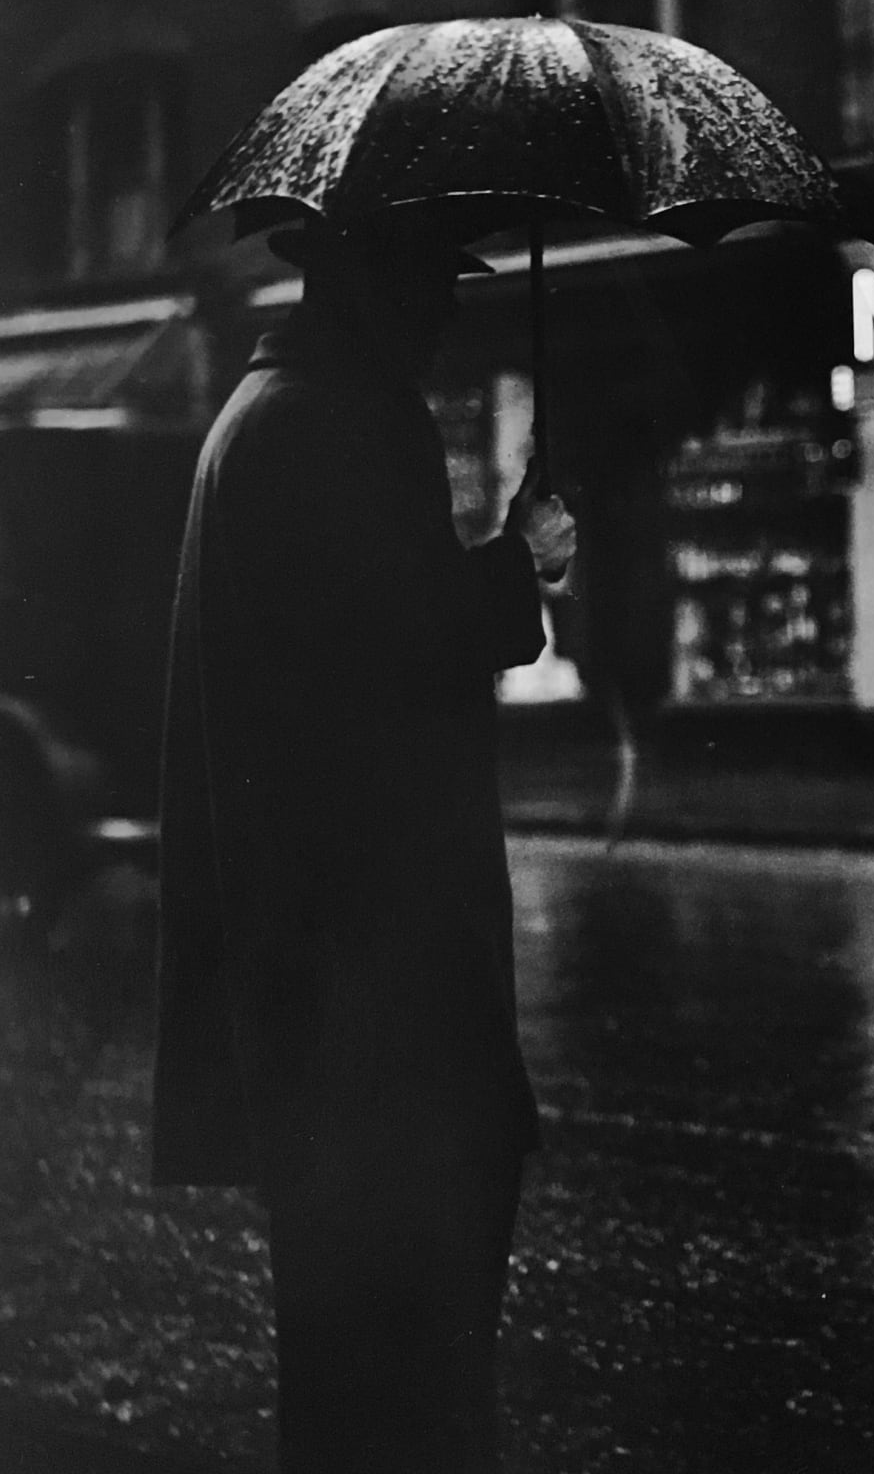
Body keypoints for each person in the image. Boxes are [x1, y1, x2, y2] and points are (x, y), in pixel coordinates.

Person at [151, 212, 577, 1473]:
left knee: (355, 1381)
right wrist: (523, 563)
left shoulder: (272, 411)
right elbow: (400, 647)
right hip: (376, 1013)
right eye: (430, 283)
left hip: (331, 1006)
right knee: (408, 1383)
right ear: (371, 283)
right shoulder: (337, 419)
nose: (446, 313)